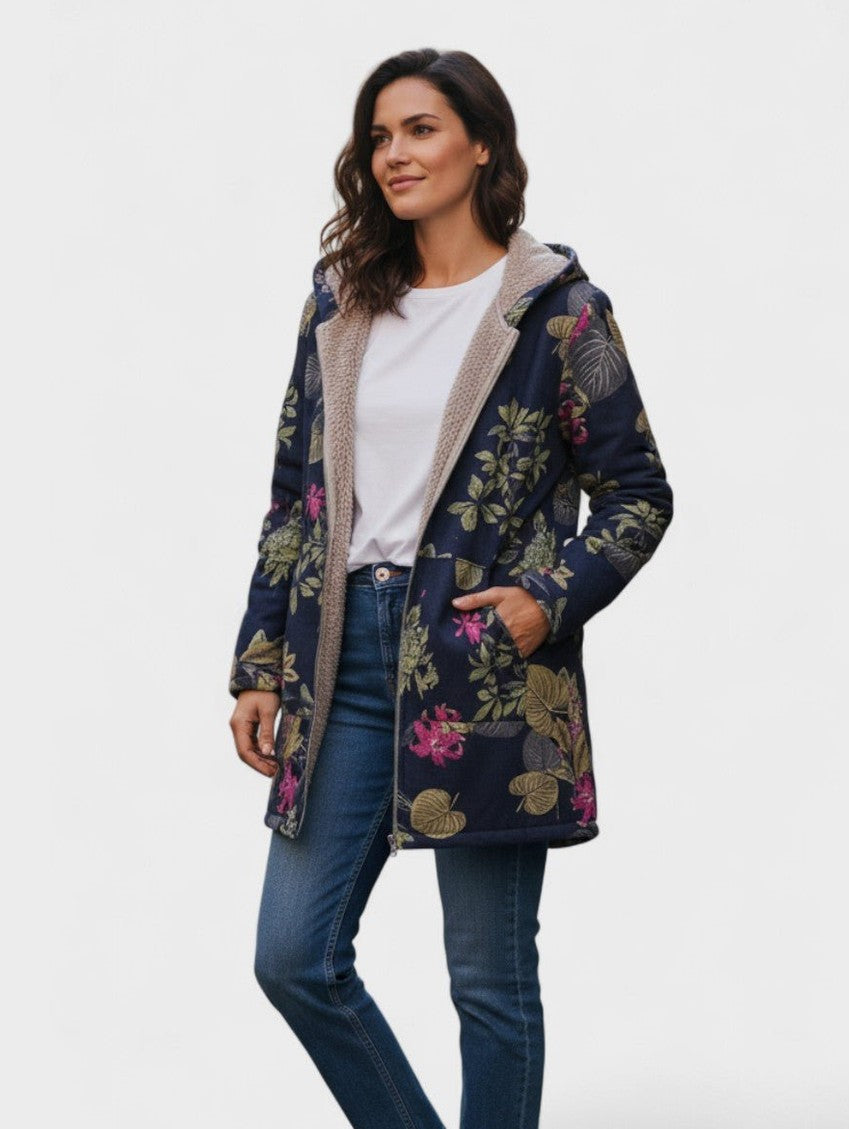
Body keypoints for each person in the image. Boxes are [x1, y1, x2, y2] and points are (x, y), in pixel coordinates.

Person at [228, 47, 674, 1129]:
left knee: (487, 981)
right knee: (294, 957)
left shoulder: (559, 312)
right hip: (341, 657)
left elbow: (638, 493)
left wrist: (545, 598)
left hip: (485, 669)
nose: (394, 154)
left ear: (481, 145)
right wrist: (259, 662)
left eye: (420, 129)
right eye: (379, 136)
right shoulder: (340, 306)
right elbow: (295, 498)